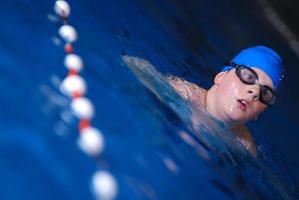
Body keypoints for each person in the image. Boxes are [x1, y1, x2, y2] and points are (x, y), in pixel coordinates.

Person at [166, 46, 283, 156]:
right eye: (249, 77)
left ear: (258, 114)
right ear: (220, 77)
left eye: (265, 94)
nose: (255, 92)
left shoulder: (245, 146)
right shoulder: (180, 92)